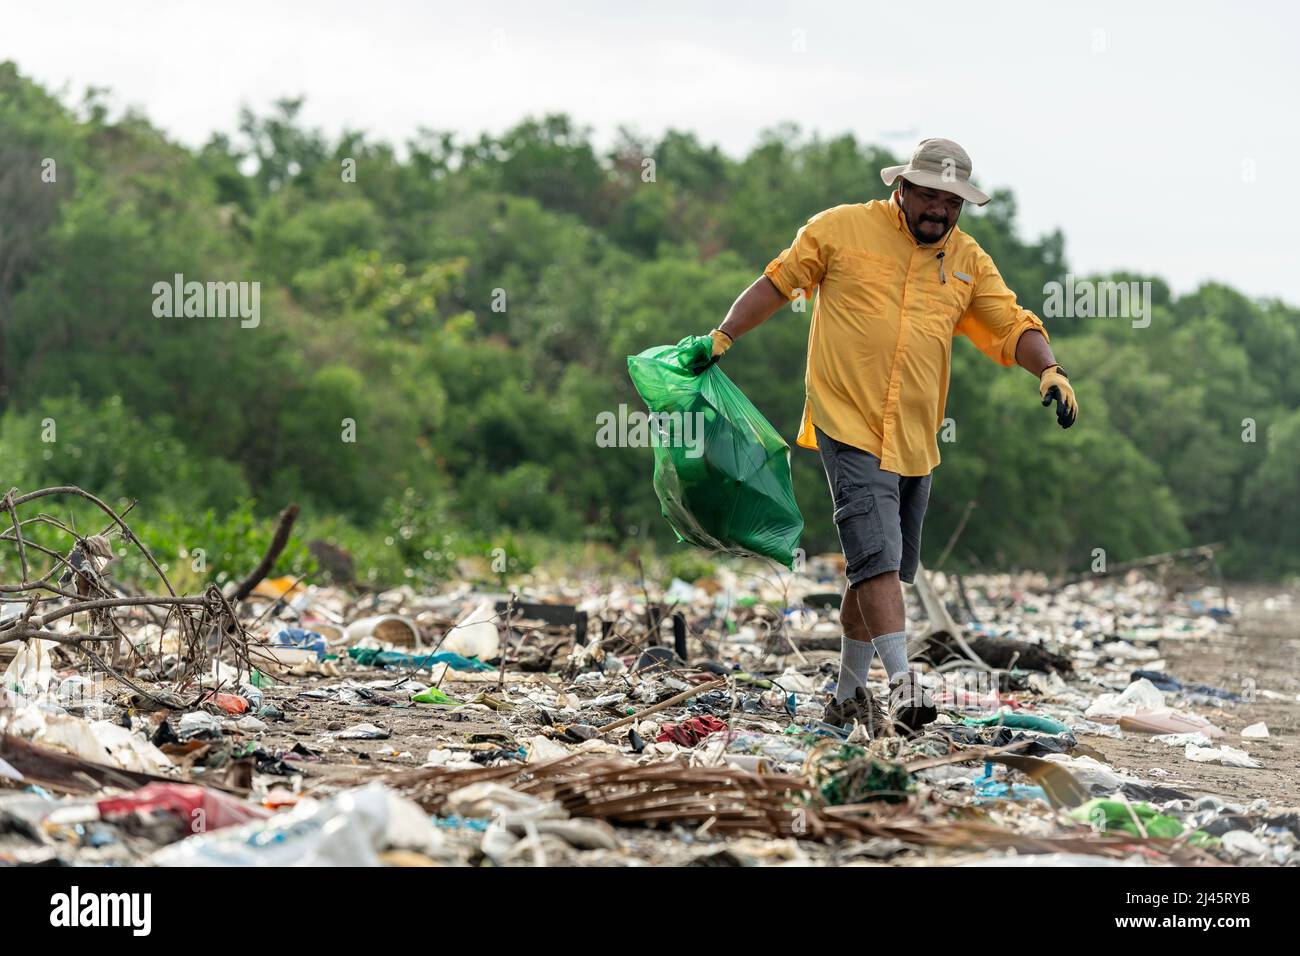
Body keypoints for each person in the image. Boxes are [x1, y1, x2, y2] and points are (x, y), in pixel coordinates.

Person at [706, 138, 1077, 736]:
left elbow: (1010, 323)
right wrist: (722, 338)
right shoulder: (841, 230)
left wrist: (1050, 369)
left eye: (951, 202)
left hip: (915, 435)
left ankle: (848, 696)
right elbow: (778, 282)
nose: (939, 210)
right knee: (876, 556)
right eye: (929, 195)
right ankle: (904, 686)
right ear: (900, 189)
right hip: (847, 422)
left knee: (882, 567)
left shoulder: (967, 260)